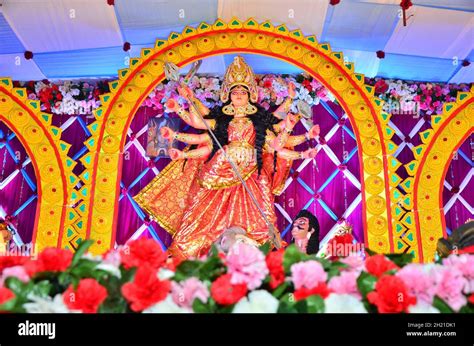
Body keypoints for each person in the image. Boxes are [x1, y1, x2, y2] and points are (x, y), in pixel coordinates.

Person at [134, 56, 320, 259]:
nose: (239, 95)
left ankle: (264, 251)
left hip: (252, 170)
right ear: (228, 94)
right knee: (201, 207)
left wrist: (303, 145)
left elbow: (278, 145)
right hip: (221, 166)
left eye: (243, 91)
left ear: (250, 95)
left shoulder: (258, 123)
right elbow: (199, 125)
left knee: (264, 211)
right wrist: (185, 102)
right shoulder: (221, 120)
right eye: (235, 91)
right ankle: (191, 249)